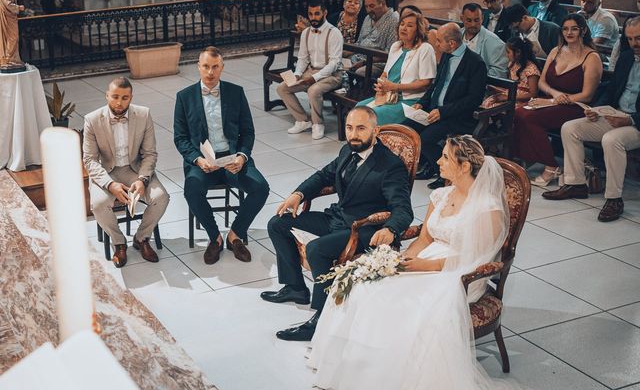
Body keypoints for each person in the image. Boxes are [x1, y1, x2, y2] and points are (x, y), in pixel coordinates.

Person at [309, 135, 511, 390]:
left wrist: (423, 267)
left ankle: (393, 377)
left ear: (464, 166)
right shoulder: (440, 195)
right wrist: (402, 259)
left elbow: (476, 257)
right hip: (427, 259)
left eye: (445, 157)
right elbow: (425, 237)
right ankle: (358, 368)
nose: (438, 161)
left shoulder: (487, 208)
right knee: (366, 287)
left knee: (401, 303)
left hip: (460, 274)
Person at [261, 106, 413, 341]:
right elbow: (323, 175)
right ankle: (295, 288)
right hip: (337, 217)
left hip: (362, 229)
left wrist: (391, 229)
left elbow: (403, 208)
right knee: (277, 223)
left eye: (361, 128)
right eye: (350, 128)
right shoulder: (347, 151)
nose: (354, 134)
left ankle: (321, 319)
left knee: (316, 248)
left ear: (376, 131)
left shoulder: (389, 166)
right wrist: (298, 194)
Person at [174, 46, 269, 265]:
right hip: (202, 161)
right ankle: (214, 237)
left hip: (231, 160)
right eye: (206, 66)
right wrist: (198, 160)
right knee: (192, 189)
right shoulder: (184, 97)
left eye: (215, 67)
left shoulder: (236, 92)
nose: (210, 72)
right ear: (198, 67)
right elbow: (180, 138)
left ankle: (235, 234)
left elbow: (248, 132)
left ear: (222, 68)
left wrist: (242, 157)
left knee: (260, 187)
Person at [542, 16, 640, 222]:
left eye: (638, 38)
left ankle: (614, 199)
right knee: (570, 128)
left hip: (636, 122)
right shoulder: (627, 57)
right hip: (617, 113)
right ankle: (576, 183)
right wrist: (597, 109)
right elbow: (611, 89)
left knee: (611, 140)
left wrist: (630, 121)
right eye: (630, 39)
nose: (634, 44)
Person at [83, 77, 170, 268]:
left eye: (124, 97)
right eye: (114, 97)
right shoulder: (92, 119)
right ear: (107, 95)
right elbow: (89, 160)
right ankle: (119, 242)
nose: (119, 102)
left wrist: (142, 179)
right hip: (107, 173)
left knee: (161, 197)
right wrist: (110, 185)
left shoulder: (143, 114)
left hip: (135, 170)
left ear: (131, 97)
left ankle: (141, 238)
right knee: (98, 204)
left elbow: (149, 154)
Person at [512, 14, 603, 186]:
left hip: (576, 106)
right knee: (518, 112)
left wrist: (552, 101)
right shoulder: (556, 51)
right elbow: (542, 82)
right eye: (565, 29)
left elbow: (587, 95)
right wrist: (554, 95)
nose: (569, 32)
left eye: (574, 29)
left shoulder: (591, 57)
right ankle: (528, 158)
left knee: (529, 117)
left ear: (583, 31)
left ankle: (551, 166)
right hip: (551, 100)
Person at [403, 22, 487, 189]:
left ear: (452, 43)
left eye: (439, 40)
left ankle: (445, 174)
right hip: (433, 111)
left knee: (425, 139)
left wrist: (443, 111)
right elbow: (435, 85)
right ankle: (428, 166)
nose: (436, 44)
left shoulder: (475, 63)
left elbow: (473, 99)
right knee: (405, 129)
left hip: (456, 116)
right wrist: (421, 103)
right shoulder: (447, 56)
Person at [277, 0, 344, 140]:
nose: (313, 17)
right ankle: (303, 120)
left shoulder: (334, 33)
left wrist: (315, 77)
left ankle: (318, 124)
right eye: (310, 14)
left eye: (317, 13)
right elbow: (303, 58)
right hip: (311, 70)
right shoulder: (306, 32)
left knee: (313, 90)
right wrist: (297, 74)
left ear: (325, 13)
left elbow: (334, 63)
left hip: (332, 74)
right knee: (283, 88)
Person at [355, 9, 436, 124]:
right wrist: (381, 84)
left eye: (409, 26)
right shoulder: (395, 46)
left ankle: (374, 141)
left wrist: (395, 87)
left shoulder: (425, 49)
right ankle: (360, 141)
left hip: (410, 100)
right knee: (359, 108)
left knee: (374, 114)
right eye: (402, 24)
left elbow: (426, 83)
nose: (404, 28)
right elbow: (385, 73)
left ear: (418, 30)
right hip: (388, 97)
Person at [349, 0, 399, 77]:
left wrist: (365, 62)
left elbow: (390, 53)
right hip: (358, 58)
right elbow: (359, 43)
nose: (368, 10)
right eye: (366, 7)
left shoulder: (394, 19)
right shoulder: (368, 18)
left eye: (372, 6)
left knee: (360, 72)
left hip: (377, 63)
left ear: (382, 3)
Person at [482, 37, 541, 108]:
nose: (506, 55)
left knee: (493, 107)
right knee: (489, 101)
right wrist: (495, 89)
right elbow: (511, 85)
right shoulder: (512, 64)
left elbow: (533, 94)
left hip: (523, 100)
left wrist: (507, 97)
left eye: (508, 52)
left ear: (518, 52)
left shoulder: (531, 69)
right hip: (512, 93)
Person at [461, 2, 509, 77]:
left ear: (482, 18)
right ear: (462, 19)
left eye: (476, 20)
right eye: (469, 20)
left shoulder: (494, 41)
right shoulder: (456, 36)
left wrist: (477, 80)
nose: (473, 24)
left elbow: (500, 71)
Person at [0, 0, 24, 67]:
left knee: (13, 38)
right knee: (12, 38)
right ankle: (9, 59)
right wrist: (19, 7)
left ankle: (13, 58)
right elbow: (8, 4)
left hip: (11, 17)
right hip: (7, 18)